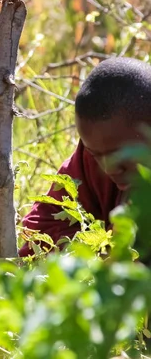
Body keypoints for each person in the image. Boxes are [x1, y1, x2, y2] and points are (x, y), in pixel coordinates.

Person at [19, 57, 151, 256]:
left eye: (120, 155)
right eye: (97, 154)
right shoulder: (91, 157)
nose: (108, 169)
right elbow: (41, 228)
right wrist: (92, 254)